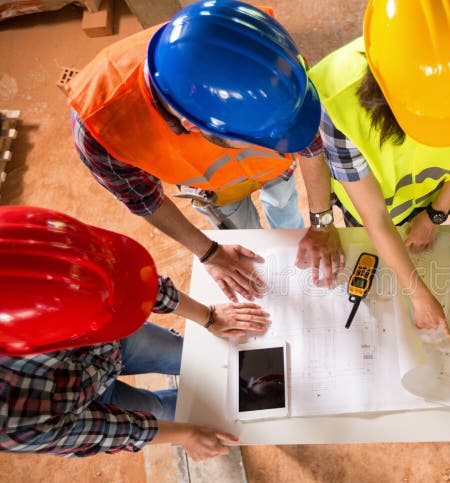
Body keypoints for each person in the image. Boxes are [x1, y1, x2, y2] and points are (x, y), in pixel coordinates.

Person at [67, 0, 344, 300]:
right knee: (246, 235)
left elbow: (309, 141)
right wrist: (210, 253)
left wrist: (321, 224)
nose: (279, 139)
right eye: (264, 137)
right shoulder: (101, 124)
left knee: (284, 205)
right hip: (216, 190)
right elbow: (145, 201)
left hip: (278, 172)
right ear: (194, 126)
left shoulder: (259, 44)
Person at [0, 206, 269, 459]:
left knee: (192, 356)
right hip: (85, 403)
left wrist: (208, 317)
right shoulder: (13, 421)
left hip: (113, 346)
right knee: (159, 410)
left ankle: (233, 390)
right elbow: (107, 431)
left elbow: (127, 280)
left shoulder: (24, 248)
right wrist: (188, 433)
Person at [309, 0, 450, 335]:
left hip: (438, 194)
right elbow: (373, 217)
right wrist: (417, 294)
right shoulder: (335, 100)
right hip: (376, 206)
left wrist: (437, 212)